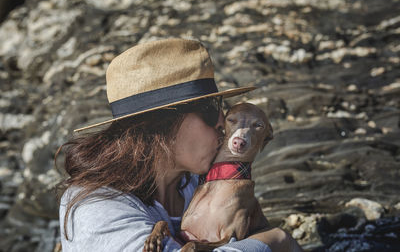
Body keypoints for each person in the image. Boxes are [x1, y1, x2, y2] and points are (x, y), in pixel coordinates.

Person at [57, 38, 303, 251]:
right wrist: (278, 240)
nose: (222, 123)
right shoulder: (95, 205)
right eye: (209, 109)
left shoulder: (194, 184)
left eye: (220, 106)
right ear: (158, 126)